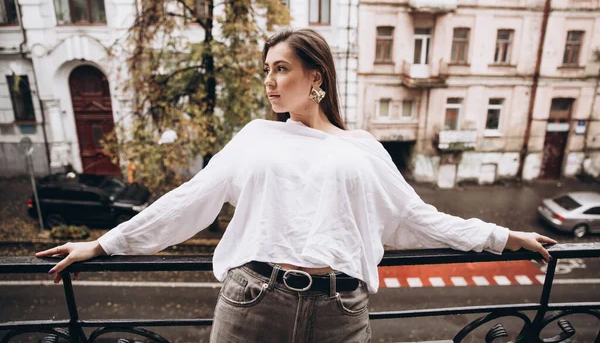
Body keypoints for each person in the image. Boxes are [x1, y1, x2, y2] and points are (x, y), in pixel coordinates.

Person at [37, 28, 557, 342]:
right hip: (254, 302)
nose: (269, 80)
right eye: (266, 69)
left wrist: (503, 237)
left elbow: (415, 218)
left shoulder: (363, 148)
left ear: (316, 77)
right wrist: (103, 244)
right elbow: (191, 199)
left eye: (281, 68)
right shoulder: (257, 136)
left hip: (341, 312)